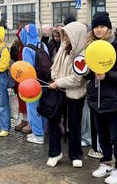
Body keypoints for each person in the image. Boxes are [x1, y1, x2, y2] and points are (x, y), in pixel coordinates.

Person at [47, 21, 87, 168]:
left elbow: (78, 79)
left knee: (74, 124)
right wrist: (55, 78)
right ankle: (54, 152)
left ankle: (75, 154)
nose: (65, 37)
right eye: (65, 34)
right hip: (59, 91)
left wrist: (58, 82)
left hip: (75, 94)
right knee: (53, 120)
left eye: (68, 34)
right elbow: (54, 66)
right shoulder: (63, 47)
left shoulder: (83, 54)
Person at [84, 12, 117, 183]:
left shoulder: (116, 46)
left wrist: (108, 75)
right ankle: (106, 163)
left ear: (109, 28)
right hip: (95, 100)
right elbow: (88, 75)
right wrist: (85, 72)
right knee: (102, 135)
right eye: (96, 26)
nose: (98, 29)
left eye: (102, 26)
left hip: (113, 100)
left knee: (115, 136)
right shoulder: (92, 47)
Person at [19, 24, 47, 144]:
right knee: (43, 108)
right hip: (44, 81)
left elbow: (27, 69)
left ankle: (38, 134)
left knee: (33, 109)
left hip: (32, 83)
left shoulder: (27, 48)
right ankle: (42, 131)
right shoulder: (42, 44)